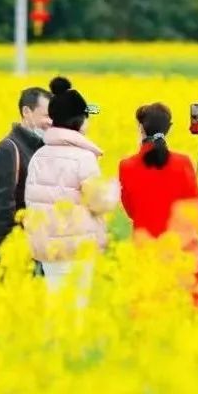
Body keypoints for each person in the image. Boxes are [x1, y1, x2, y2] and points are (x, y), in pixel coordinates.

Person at [25, 77, 117, 293]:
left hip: (46, 247)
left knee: (56, 306)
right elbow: (98, 202)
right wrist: (114, 189)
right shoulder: (82, 157)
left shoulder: (39, 155)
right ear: (80, 120)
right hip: (75, 248)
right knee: (75, 310)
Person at [119, 103, 198, 307]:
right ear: (169, 129)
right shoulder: (183, 162)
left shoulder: (127, 166)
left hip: (146, 249)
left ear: (141, 129)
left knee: (150, 313)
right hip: (183, 249)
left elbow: (131, 211)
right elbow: (195, 211)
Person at [0, 87, 52, 249]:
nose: (51, 122)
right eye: (47, 116)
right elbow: (0, 211)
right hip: (17, 252)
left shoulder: (42, 149)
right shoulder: (7, 149)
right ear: (27, 112)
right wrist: (13, 250)